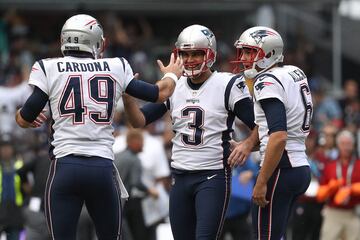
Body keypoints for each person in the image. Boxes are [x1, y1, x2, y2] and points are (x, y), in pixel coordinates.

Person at [14, 14, 183, 240]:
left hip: (64, 167)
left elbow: (25, 119)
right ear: (95, 40)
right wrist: (172, 74)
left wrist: (24, 116)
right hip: (101, 168)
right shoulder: (116, 65)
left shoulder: (48, 67)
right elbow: (160, 93)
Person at [122, 24, 257, 240]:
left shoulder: (227, 83)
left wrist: (247, 144)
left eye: (197, 53)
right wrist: (128, 99)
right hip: (180, 177)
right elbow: (139, 120)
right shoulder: (174, 86)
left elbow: (262, 125)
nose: (190, 59)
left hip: (212, 176)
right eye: (185, 54)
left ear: (210, 54)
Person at [230, 26, 312, 239]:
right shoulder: (293, 72)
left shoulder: (266, 81)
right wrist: (248, 144)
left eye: (250, 52)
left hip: (280, 169)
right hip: (300, 166)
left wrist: (261, 181)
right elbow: (274, 123)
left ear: (268, 53)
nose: (245, 58)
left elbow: (278, 135)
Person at [114, 129, 159, 240]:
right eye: (141, 141)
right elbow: (136, 182)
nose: (143, 145)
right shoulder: (134, 159)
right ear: (134, 142)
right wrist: (150, 190)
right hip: (123, 203)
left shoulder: (116, 156)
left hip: (111, 200)